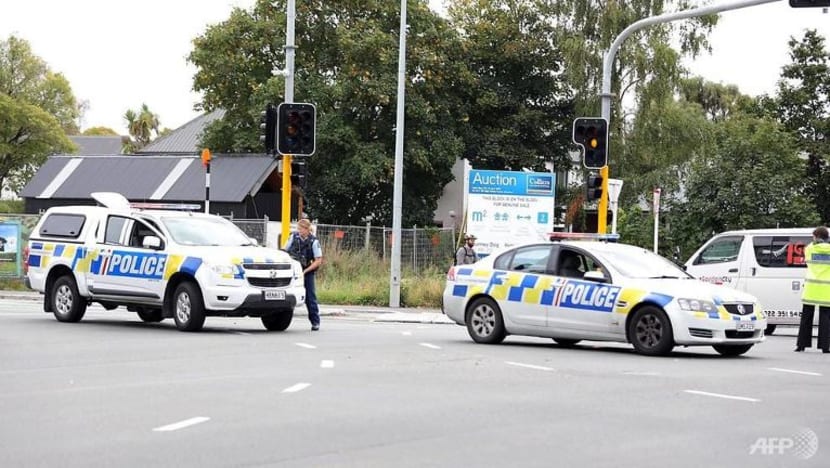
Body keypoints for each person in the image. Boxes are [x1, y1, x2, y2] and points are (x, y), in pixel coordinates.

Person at [283, 219, 323, 331]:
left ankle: (315, 322)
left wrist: (305, 271)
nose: (299, 231)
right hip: (293, 270)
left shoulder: (314, 242)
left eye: (300, 229)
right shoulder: (293, 237)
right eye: (298, 229)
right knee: (286, 294)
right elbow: (284, 251)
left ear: (306, 229)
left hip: (307, 271)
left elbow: (318, 260)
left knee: (310, 297)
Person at [795, 225, 830, 353]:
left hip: (811, 288)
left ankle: (801, 345)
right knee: (826, 319)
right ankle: (825, 347)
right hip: (826, 289)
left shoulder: (810, 248)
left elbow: (807, 260)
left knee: (806, 317)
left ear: (816, 237)